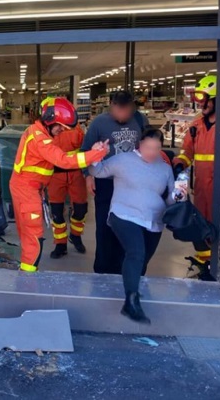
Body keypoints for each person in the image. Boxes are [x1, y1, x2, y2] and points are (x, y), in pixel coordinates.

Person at [89, 129, 186, 323]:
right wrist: (95, 153)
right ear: (139, 145)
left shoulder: (164, 168)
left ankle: (132, 291)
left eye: (157, 148)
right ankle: (131, 301)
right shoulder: (123, 160)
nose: (152, 151)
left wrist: (178, 195)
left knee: (142, 261)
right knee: (136, 252)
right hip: (123, 214)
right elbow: (97, 171)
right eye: (149, 147)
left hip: (153, 220)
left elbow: (168, 200)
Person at [10, 97, 108, 273]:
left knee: (28, 234)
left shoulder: (40, 132)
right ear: (49, 119)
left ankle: (27, 274)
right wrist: (95, 154)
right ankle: (27, 280)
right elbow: (62, 160)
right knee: (33, 236)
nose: (62, 131)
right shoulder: (41, 139)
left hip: (30, 187)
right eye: (60, 126)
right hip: (28, 189)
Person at [81, 90, 145, 275]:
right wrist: (88, 175)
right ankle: (102, 269)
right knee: (105, 226)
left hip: (132, 184)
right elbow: (85, 150)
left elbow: (148, 146)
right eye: (118, 111)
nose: (122, 115)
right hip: (106, 183)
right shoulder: (99, 123)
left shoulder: (140, 121)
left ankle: (124, 268)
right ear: (111, 107)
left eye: (126, 111)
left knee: (129, 225)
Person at [172, 75, 217, 281]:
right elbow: (187, 150)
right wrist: (180, 162)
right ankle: (205, 263)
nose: (200, 103)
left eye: (204, 99)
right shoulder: (196, 124)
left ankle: (219, 264)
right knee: (199, 225)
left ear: (216, 99)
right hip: (200, 186)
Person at [39, 98, 89, 259]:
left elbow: (84, 148)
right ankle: (60, 244)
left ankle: (75, 235)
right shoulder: (45, 131)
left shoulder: (75, 127)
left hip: (76, 173)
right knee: (57, 213)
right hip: (55, 176)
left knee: (81, 209)